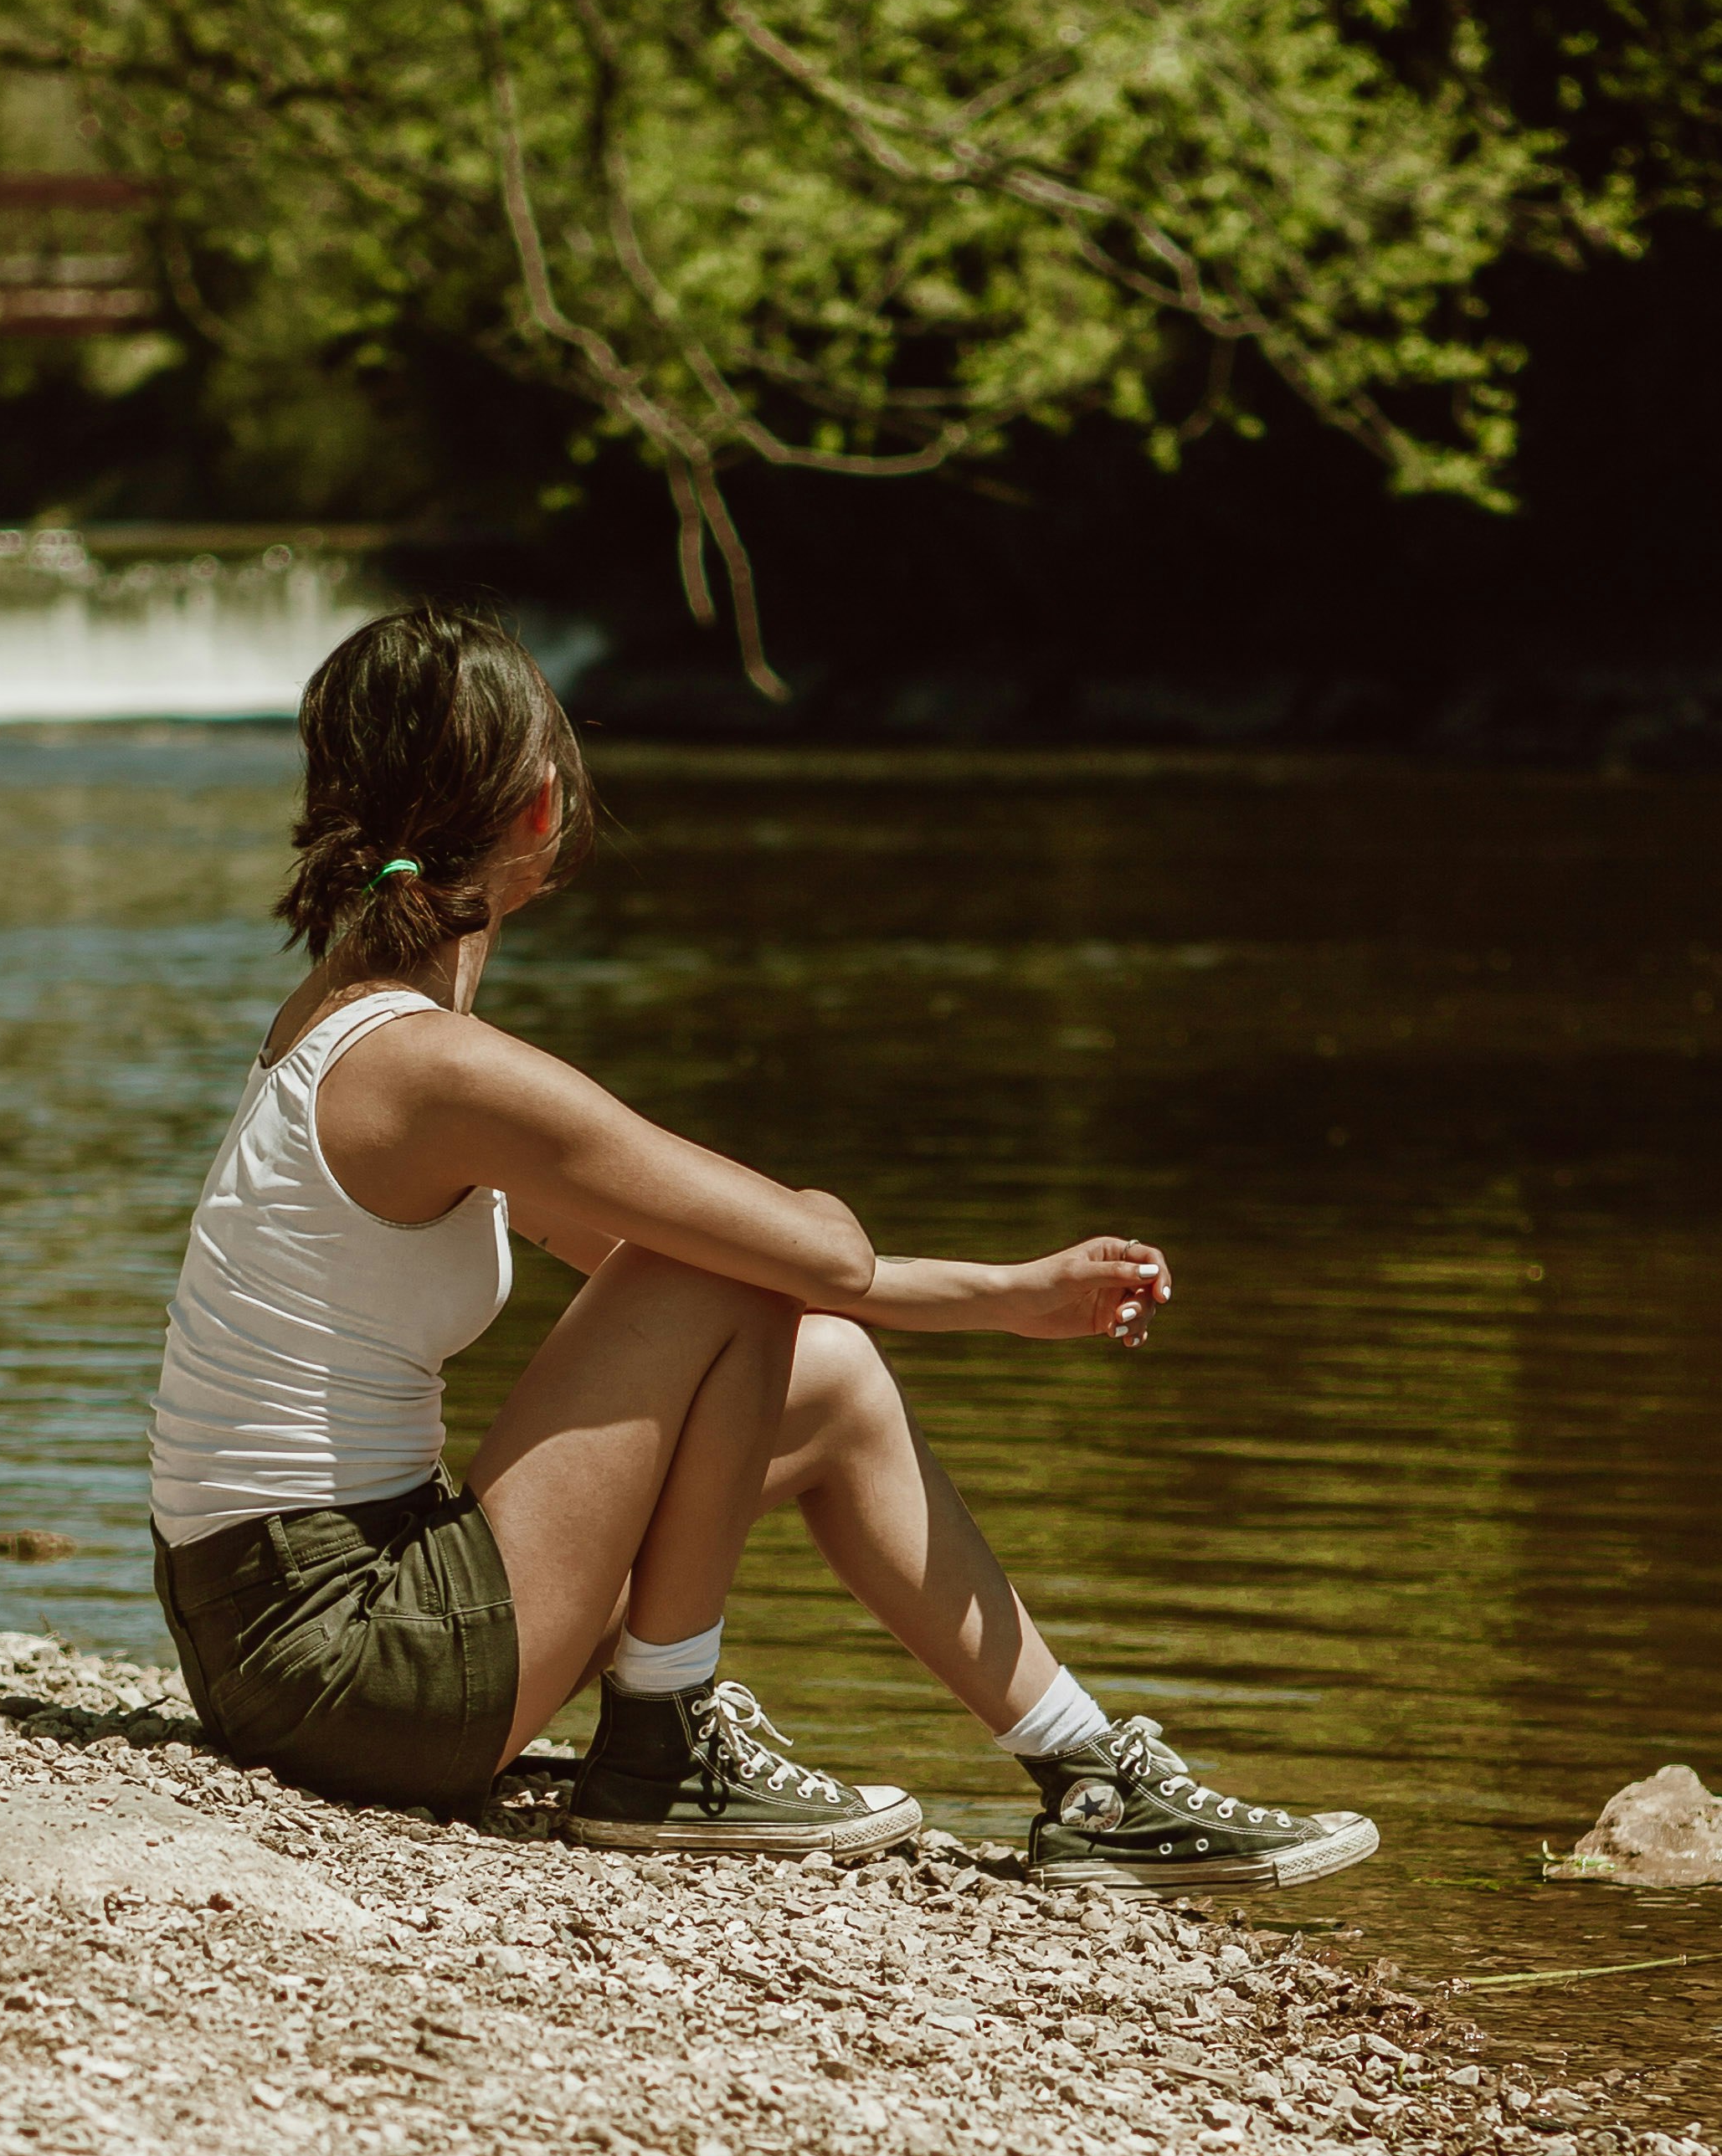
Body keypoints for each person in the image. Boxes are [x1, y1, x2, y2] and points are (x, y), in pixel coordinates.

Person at [147, 606, 1377, 1892]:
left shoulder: (351, 1025)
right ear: (540, 810)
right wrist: (818, 1220)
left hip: (294, 1640)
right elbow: (788, 1253)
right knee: (730, 1253)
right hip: (351, 1663)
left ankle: (1087, 1772)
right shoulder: (434, 1066)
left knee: (830, 1373)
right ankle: (665, 1745)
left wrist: (1012, 1296)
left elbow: (765, 1282)